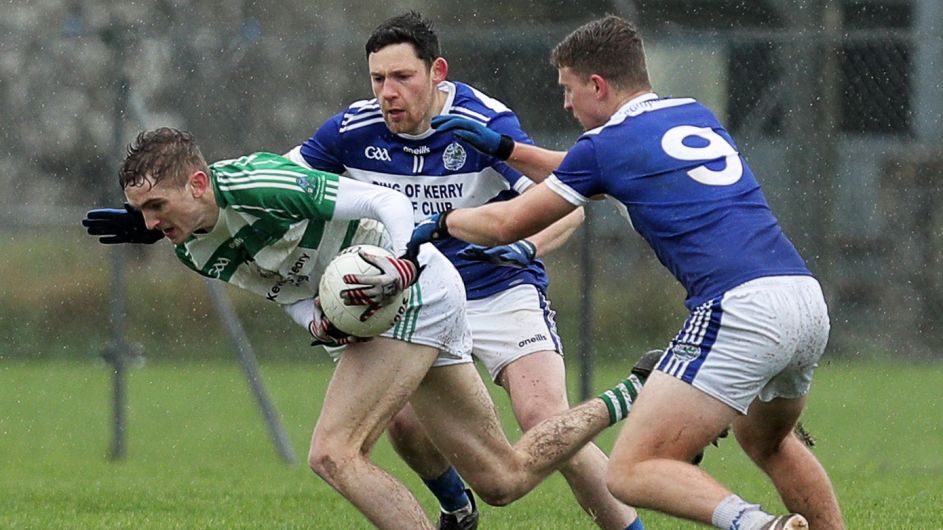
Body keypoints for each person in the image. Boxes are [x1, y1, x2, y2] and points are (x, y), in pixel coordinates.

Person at [82, 127, 647, 530]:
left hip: (414, 289)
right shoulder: (189, 248)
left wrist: (403, 262)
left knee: (333, 453)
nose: (150, 225)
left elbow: (385, 200)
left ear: (199, 183)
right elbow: (283, 292)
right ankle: (633, 391)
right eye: (142, 213)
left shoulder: (262, 183)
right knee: (502, 479)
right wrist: (316, 320)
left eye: (156, 206)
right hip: (384, 309)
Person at [408, 15, 844, 530]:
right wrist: (507, 150)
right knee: (766, 440)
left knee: (632, 472)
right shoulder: (692, 113)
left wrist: (442, 222)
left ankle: (758, 526)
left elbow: (506, 224)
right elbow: (593, 166)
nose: (566, 103)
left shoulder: (605, 147)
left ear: (597, 85)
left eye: (569, 90)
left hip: (739, 309)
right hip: (802, 298)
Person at [283, 11, 642, 530]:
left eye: (402, 77)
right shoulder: (350, 131)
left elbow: (571, 205)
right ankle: (456, 508)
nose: (388, 92)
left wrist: (528, 249)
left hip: (498, 289)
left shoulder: (483, 123)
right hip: (417, 301)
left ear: (437, 73)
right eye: (378, 79)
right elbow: (275, 180)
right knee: (401, 420)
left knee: (545, 419)